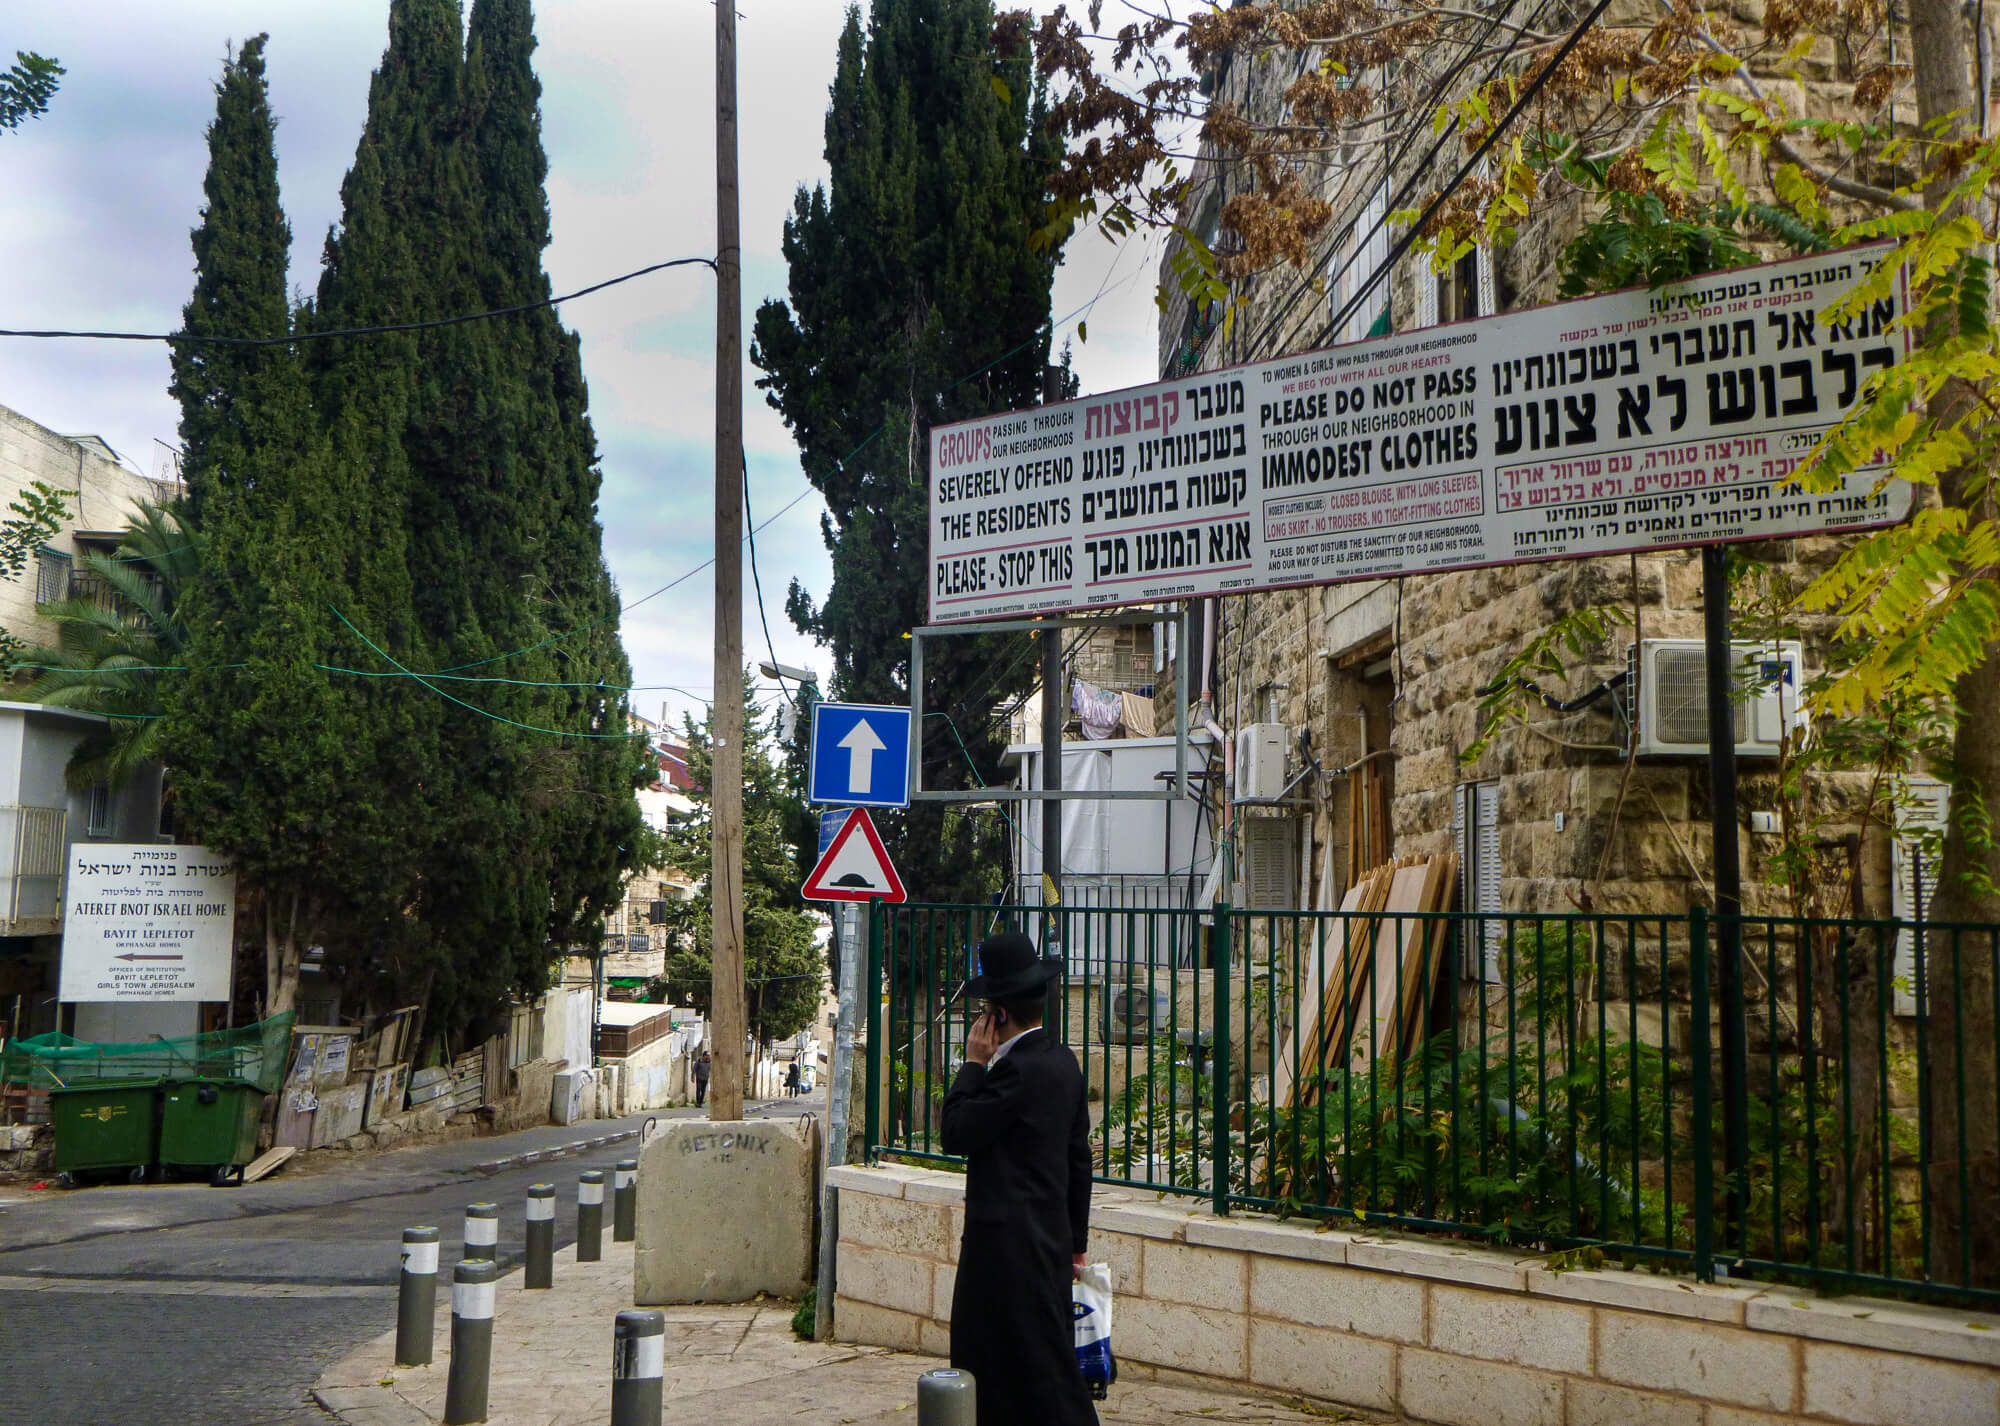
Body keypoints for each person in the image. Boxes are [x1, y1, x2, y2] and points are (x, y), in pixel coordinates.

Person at [941, 930, 1097, 1426]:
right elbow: (1079, 1158)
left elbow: (955, 1131)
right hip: (1048, 1242)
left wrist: (972, 1063)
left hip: (1004, 1250)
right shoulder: (1063, 1062)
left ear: (1000, 1013)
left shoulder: (1014, 1073)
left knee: (1005, 1364)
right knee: (1040, 1361)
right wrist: (1076, 1242)